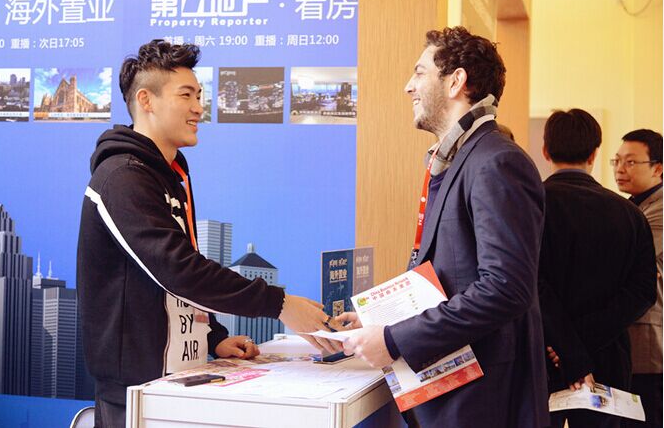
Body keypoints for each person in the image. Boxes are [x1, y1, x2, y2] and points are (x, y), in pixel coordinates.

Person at [77, 39, 333, 427]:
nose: (199, 107)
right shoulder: (121, 177)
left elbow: (179, 272)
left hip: (179, 377)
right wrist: (279, 304)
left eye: (199, 95)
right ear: (146, 100)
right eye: (186, 95)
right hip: (136, 389)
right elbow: (177, 269)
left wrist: (214, 338)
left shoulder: (168, 175)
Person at [336, 26, 549, 427]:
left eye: (419, 73)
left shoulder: (496, 161)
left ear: (456, 81)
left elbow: (505, 288)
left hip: (483, 399)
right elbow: (450, 274)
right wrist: (384, 323)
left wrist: (395, 339)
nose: (408, 86)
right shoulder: (458, 160)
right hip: (454, 394)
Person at [537, 110, 657, 428]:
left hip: (541, 356)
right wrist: (584, 341)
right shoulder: (629, 214)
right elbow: (643, 291)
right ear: (594, 154)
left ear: (545, 151)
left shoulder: (531, 207)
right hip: (607, 358)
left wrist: (567, 347)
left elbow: (530, 284)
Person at [613, 129, 662, 428]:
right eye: (617, 161)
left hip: (650, 348)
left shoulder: (659, 210)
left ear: (658, 168)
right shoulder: (633, 207)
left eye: (631, 162)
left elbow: (624, 264)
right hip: (628, 343)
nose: (620, 169)